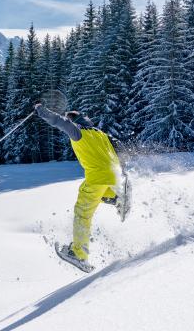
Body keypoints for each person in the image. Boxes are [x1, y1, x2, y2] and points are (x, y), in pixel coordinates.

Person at [35, 103, 130, 268]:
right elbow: (119, 149)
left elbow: (59, 122)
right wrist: (123, 171)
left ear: (76, 121)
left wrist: (42, 111)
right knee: (92, 193)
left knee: (82, 213)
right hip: (113, 176)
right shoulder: (100, 134)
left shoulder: (78, 133)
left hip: (96, 178)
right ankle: (116, 198)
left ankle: (79, 254)